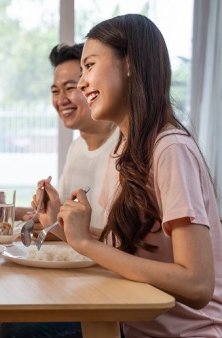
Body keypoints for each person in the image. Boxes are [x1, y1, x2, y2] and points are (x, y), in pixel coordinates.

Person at [38, 14, 222, 337]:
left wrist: (83, 242)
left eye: (90, 66)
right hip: (131, 324)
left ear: (129, 64)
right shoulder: (124, 148)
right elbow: (123, 250)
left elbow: (197, 284)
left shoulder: (170, 148)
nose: (82, 83)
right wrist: (66, 228)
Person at [0, 43, 119, 338]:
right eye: (55, 91)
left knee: (15, 327)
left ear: (91, 85)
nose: (61, 99)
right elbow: (63, 225)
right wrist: (43, 214)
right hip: (83, 272)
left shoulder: (123, 147)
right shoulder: (76, 148)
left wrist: (60, 224)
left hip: (110, 282)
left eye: (71, 87)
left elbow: (114, 238)